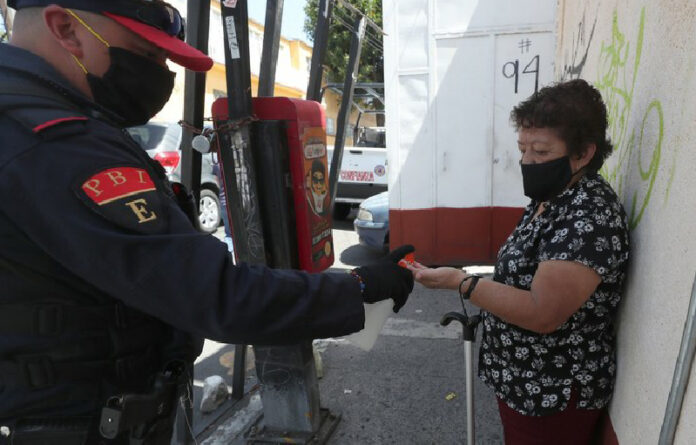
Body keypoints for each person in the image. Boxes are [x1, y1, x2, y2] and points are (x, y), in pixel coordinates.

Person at [0, 1, 415, 443]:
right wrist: (361, 288)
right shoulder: (54, 143)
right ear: (66, 27)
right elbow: (216, 295)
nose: (161, 73)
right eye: (146, 55)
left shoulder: (51, 121)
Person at [407, 79, 630, 444]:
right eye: (523, 148)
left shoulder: (589, 217)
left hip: (552, 395)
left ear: (584, 153)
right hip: (523, 384)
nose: (527, 161)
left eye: (540, 152)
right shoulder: (553, 195)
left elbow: (543, 312)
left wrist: (463, 283)